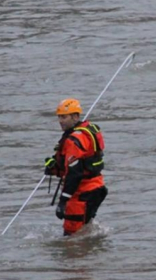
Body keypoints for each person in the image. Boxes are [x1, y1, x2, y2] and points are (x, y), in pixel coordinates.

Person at [44, 98, 108, 235]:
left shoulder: (74, 140)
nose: (61, 121)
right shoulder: (85, 131)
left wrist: (62, 201)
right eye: (59, 117)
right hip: (96, 188)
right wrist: (56, 167)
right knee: (84, 231)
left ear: (75, 117)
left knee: (71, 237)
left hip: (82, 193)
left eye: (64, 117)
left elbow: (75, 173)